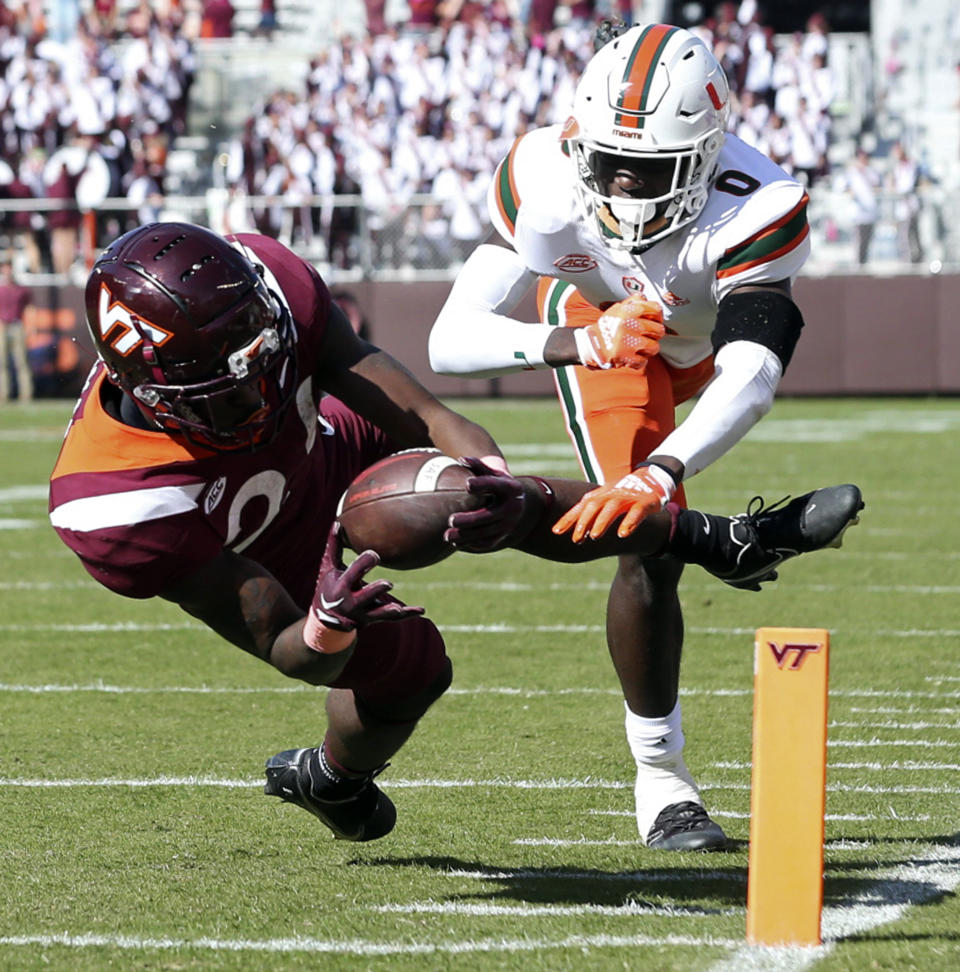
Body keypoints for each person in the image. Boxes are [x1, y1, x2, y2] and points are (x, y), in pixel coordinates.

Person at [48, 222, 862, 845]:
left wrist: (488, 469)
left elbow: (414, 404)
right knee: (415, 671)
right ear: (156, 396)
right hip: (266, 548)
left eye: (265, 351)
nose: (264, 373)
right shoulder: (114, 506)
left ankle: (717, 540)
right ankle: (333, 780)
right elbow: (282, 644)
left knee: (469, 494)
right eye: (235, 381)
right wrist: (328, 617)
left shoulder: (267, 284)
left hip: (326, 443)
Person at [429, 22, 823, 851]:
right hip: (609, 339)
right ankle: (664, 784)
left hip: (703, 350)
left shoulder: (759, 206)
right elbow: (447, 341)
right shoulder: (541, 175)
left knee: (649, 501)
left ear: (708, 155)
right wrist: (578, 340)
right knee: (644, 543)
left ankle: (721, 537)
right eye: (605, 160)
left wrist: (667, 468)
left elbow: (750, 371)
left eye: (648, 169)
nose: (620, 186)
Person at [0, 260, 34, 403]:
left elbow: (29, 307)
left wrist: (31, 326)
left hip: (16, 324)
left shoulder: (21, 289)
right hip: (2, 325)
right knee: (2, 362)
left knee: (21, 361)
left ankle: (26, 394)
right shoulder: (1, 289)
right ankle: (3, 394)